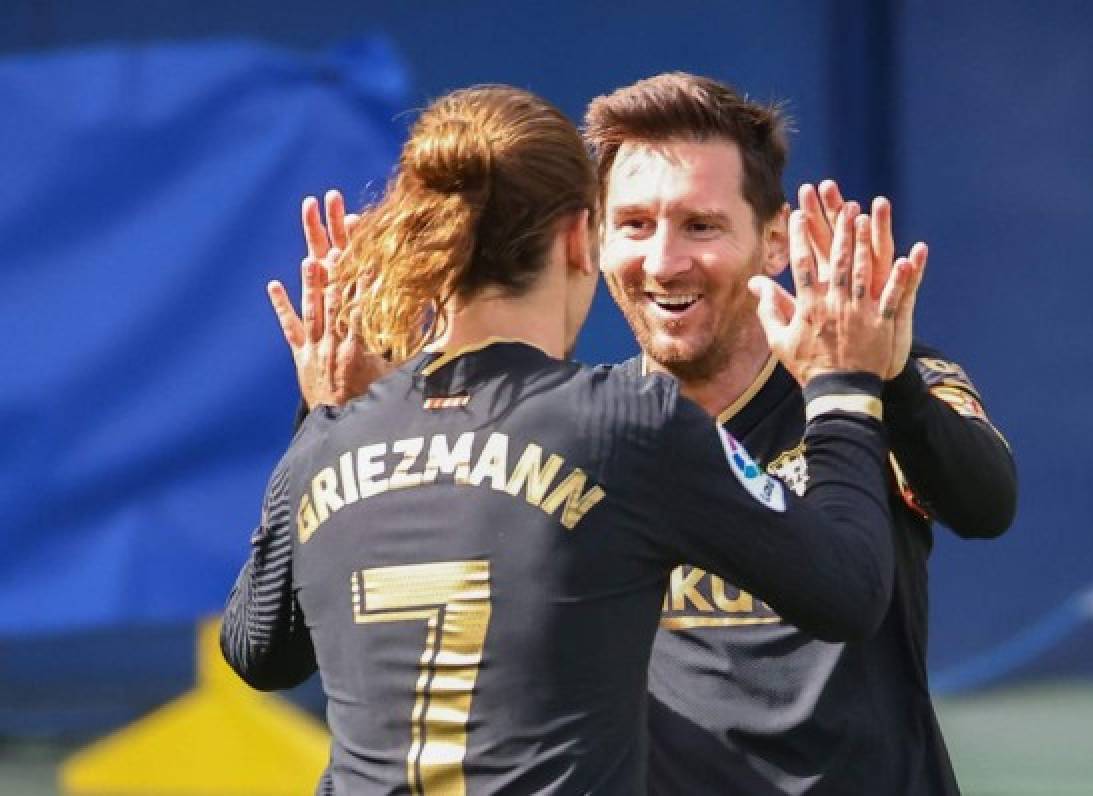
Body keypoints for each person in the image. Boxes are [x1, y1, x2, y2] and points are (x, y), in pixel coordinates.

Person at [221, 84, 924, 795]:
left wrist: (328, 411)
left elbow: (257, 652)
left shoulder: (332, 438)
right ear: (577, 239)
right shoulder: (624, 421)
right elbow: (850, 591)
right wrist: (842, 386)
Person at [581, 72, 1017, 795]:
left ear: (775, 240)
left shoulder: (876, 386)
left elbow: (986, 503)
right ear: (595, 240)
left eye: (701, 225)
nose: (662, 261)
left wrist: (886, 376)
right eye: (634, 225)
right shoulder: (590, 426)